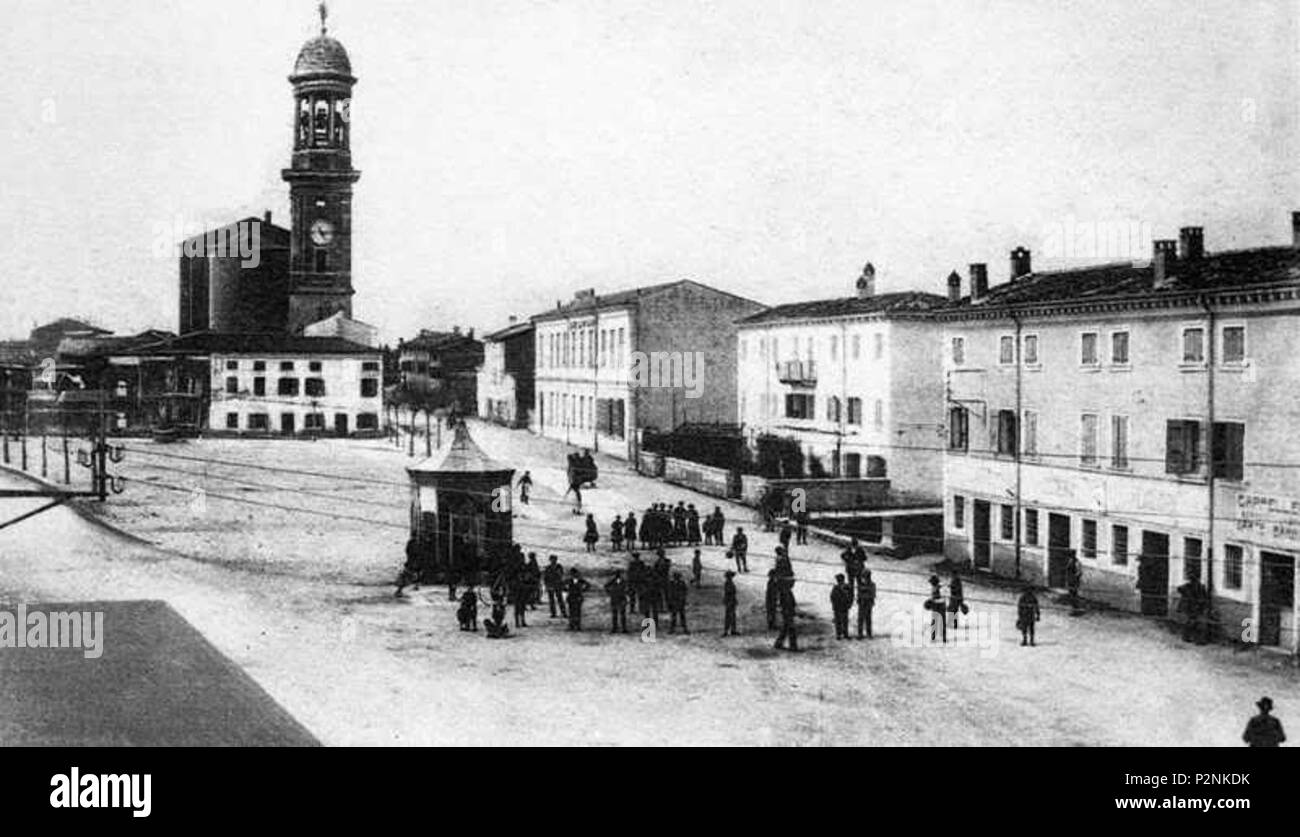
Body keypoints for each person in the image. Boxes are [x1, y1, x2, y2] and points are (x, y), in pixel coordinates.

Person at [774, 577, 798, 651]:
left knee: (785, 628)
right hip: (787, 613)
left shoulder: (786, 591)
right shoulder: (785, 592)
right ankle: (792, 646)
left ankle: (778, 643)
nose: (793, 584)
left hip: (787, 612)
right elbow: (787, 604)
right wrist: (790, 612)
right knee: (790, 629)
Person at [605, 570, 629, 634]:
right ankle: (615, 628)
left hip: (620, 598)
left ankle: (623, 628)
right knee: (616, 614)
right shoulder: (614, 581)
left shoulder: (622, 581)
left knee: (621, 614)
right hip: (616, 598)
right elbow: (606, 587)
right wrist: (610, 593)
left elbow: (628, 588)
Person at [830, 574, 853, 640]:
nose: (839, 581)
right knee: (839, 621)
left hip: (843, 606)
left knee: (844, 621)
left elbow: (850, 596)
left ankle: (844, 634)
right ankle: (839, 634)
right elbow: (832, 597)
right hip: (838, 607)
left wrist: (849, 604)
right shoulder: (836, 588)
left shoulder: (845, 587)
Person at [926, 575, 947, 644]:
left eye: (932, 583)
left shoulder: (940, 588)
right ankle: (933, 637)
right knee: (934, 622)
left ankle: (944, 638)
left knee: (942, 622)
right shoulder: (933, 588)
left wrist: (933, 601)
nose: (931, 584)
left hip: (941, 606)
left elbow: (943, 598)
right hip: (936, 606)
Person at [857, 569, 876, 639]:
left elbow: (872, 594)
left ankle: (869, 633)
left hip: (868, 603)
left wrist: (864, 591)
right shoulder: (861, 584)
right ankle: (860, 634)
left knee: (868, 619)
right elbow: (859, 593)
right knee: (860, 619)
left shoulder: (872, 584)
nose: (863, 578)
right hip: (862, 603)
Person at [722, 571, 739, 637]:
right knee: (729, 616)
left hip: (730, 601)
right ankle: (727, 630)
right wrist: (731, 601)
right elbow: (729, 593)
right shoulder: (728, 584)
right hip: (729, 601)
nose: (731, 577)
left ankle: (732, 630)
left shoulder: (729, 583)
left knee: (732, 616)